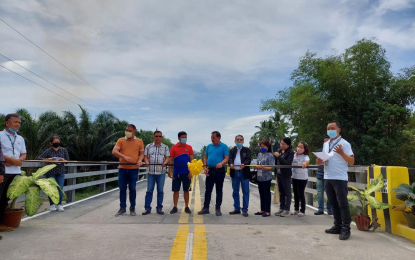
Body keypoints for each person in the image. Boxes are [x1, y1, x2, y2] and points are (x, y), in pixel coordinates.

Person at [316, 121, 354, 241]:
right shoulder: (326, 144)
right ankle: (337, 226)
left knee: (343, 204)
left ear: (339, 130)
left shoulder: (345, 143)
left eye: (332, 128)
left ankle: (346, 228)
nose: (330, 130)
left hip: (340, 177)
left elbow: (352, 161)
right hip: (327, 176)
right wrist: (319, 161)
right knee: (333, 204)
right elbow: (325, 159)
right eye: (328, 128)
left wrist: (342, 153)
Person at [0, 114, 26, 231]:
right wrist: (11, 160)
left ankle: (2, 223)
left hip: (16, 172)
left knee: (6, 198)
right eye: (15, 122)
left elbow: (24, 154)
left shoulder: (20, 138)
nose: (17, 124)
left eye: (19, 123)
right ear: (7, 123)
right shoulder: (0, 136)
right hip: (3, 171)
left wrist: (18, 161)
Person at [112, 124, 144, 217]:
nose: (127, 132)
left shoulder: (139, 141)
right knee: (122, 189)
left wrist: (139, 160)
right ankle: (122, 208)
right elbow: (114, 151)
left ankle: (132, 208)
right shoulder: (121, 140)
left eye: (130, 130)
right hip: (122, 168)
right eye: (126, 130)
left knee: (132, 189)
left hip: (133, 169)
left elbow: (141, 153)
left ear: (134, 132)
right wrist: (124, 156)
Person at [198, 131, 229, 216]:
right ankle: (206, 208)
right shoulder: (209, 146)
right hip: (210, 170)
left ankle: (218, 208)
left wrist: (221, 163)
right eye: (211, 137)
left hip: (220, 171)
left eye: (213, 138)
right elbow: (205, 158)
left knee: (219, 190)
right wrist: (205, 167)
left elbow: (226, 158)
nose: (212, 139)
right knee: (208, 190)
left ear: (219, 138)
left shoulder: (224, 146)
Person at [37, 136, 70, 212]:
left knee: (60, 188)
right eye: (55, 142)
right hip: (50, 172)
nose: (56, 144)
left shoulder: (63, 150)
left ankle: (59, 204)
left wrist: (63, 160)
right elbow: (39, 158)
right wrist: (48, 159)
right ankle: (52, 204)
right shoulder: (48, 151)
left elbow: (67, 160)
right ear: (51, 143)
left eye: (58, 142)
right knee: (51, 189)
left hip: (60, 171)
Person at [142, 130, 170, 215]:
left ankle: (159, 208)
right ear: (153, 137)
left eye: (160, 136)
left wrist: (165, 162)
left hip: (161, 172)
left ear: (162, 138)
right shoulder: (148, 146)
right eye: (156, 136)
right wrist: (146, 162)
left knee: (160, 191)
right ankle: (147, 208)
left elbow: (168, 157)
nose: (158, 138)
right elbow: (145, 157)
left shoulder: (165, 147)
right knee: (149, 191)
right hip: (151, 172)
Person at [169, 131, 193, 214]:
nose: (184, 139)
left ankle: (187, 207)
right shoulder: (174, 147)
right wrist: (169, 171)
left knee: (186, 190)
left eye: (185, 137)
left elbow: (191, 160)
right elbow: (170, 160)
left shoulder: (189, 147)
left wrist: (191, 172)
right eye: (183, 137)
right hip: (176, 172)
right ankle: (175, 207)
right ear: (179, 138)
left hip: (187, 173)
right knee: (176, 190)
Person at [228, 134, 252, 217]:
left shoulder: (247, 150)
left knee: (245, 192)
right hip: (235, 173)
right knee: (235, 191)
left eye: (240, 140)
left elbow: (249, 159)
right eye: (237, 139)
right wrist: (231, 163)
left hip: (244, 173)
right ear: (235, 141)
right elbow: (230, 159)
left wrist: (244, 164)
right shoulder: (232, 150)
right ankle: (237, 209)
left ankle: (245, 210)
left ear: (243, 141)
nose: (239, 141)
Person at [274, 137, 294, 217]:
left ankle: (287, 209)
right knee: (281, 192)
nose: (281, 145)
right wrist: (275, 173)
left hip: (286, 175)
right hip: (279, 174)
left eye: (284, 144)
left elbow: (287, 163)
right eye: (281, 143)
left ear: (288, 145)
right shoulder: (279, 151)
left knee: (287, 192)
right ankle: (281, 208)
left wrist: (279, 156)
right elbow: (276, 163)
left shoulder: (290, 153)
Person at [254, 140, 274, 217]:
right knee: (261, 194)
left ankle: (268, 211)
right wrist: (256, 166)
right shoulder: (259, 155)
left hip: (266, 177)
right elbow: (257, 163)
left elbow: (271, 167)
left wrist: (263, 167)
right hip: (259, 177)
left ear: (267, 147)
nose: (262, 148)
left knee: (267, 194)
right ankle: (262, 209)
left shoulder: (270, 155)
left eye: (264, 146)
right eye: (261, 146)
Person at [291, 141, 310, 217]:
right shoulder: (294, 154)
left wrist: (305, 163)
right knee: (295, 193)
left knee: (301, 193)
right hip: (294, 176)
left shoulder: (305, 156)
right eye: (298, 146)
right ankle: (296, 209)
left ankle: (302, 210)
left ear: (304, 149)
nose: (299, 148)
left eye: (301, 147)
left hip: (302, 177)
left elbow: (307, 161)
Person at [314, 136, 332, 216]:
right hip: (320, 174)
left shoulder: (332, 151)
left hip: (329, 175)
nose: (326, 143)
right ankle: (320, 208)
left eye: (328, 141)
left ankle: (329, 209)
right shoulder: (320, 151)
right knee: (319, 192)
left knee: (330, 193)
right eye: (325, 142)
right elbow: (318, 162)